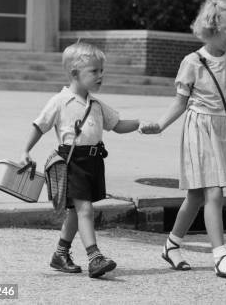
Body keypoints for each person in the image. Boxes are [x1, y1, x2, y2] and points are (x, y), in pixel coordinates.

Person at [140, 0, 226, 278]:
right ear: (211, 29)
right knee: (214, 191)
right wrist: (160, 125)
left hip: (222, 130)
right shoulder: (193, 62)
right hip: (198, 129)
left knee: (196, 196)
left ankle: (171, 245)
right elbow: (180, 102)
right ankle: (220, 256)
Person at [20, 42, 140, 278]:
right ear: (75, 74)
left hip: (93, 163)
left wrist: (141, 125)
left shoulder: (96, 104)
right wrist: (26, 150)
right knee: (85, 209)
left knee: (76, 211)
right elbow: (39, 125)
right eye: (94, 71)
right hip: (71, 161)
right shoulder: (60, 101)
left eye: (101, 71)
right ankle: (95, 257)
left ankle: (60, 254)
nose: (100, 76)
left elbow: (116, 125)